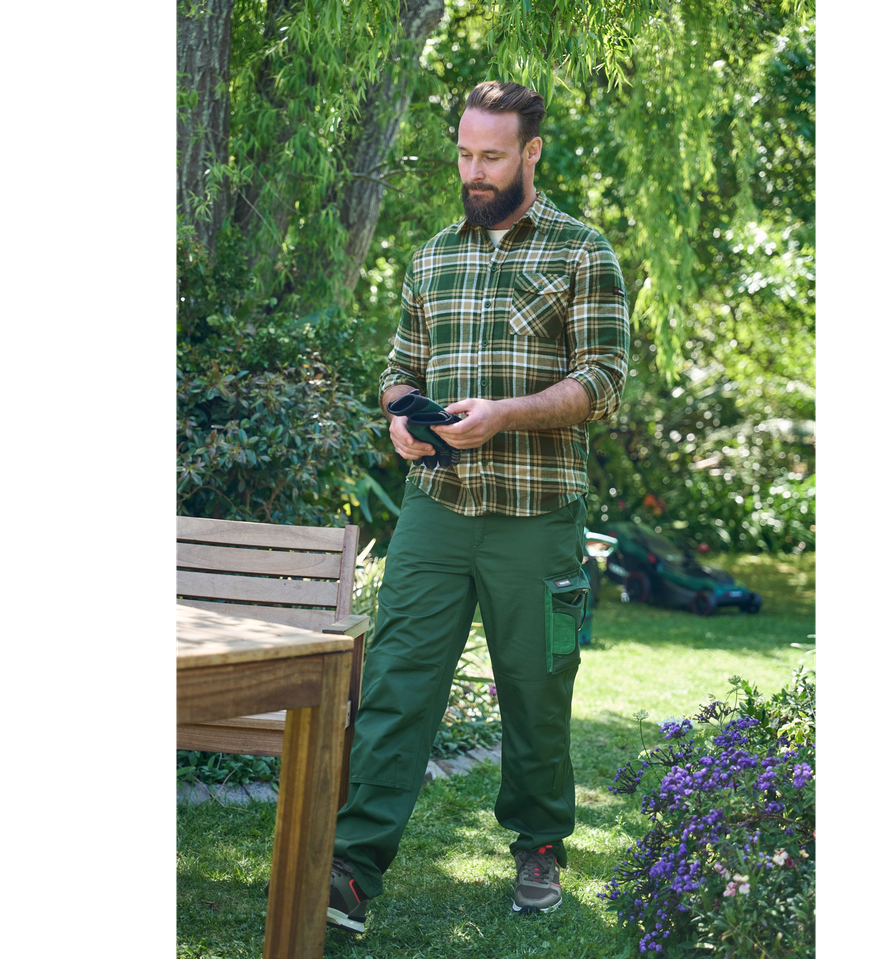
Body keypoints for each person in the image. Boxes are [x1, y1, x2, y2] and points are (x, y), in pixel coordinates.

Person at [327, 80, 630, 932]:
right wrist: (401, 417)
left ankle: (540, 844)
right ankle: (353, 867)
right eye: (464, 153)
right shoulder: (432, 256)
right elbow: (400, 369)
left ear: (531, 153)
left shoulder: (582, 252)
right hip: (436, 506)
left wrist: (506, 414)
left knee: (538, 688)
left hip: (539, 514)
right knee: (395, 681)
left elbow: (603, 381)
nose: (474, 171)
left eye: (492, 156)